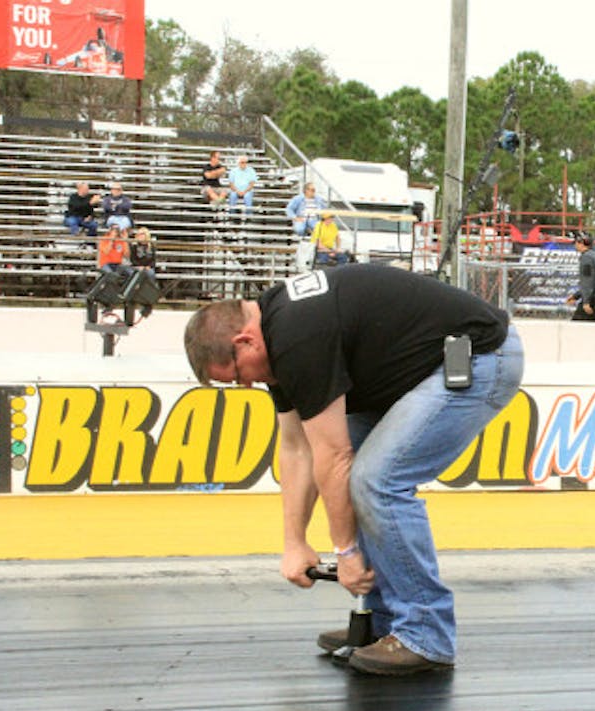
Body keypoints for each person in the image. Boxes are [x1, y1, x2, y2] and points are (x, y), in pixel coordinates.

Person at [182, 264, 524, 676]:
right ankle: (385, 622)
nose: (246, 386)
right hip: (421, 369)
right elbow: (297, 448)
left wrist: (345, 552)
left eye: (237, 377)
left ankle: (425, 634)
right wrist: (294, 542)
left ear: (245, 341)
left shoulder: (296, 337)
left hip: (479, 356)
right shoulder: (276, 334)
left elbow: (333, 455)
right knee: (357, 476)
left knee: (377, 480)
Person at [567, 231, 595, 322]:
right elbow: (592, 281)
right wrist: (576, 296)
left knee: (575, 327)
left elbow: (588, 281)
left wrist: (586, 302)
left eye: (576, 242)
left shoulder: (586, 258)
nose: (575, 245)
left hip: (594, 300)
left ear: (581, 242)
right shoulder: (593, 255)